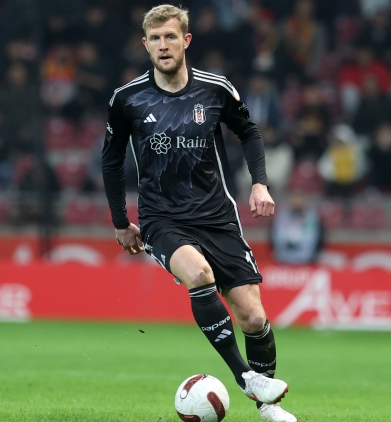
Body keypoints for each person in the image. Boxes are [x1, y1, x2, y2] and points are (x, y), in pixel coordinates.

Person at [101, 5, 295, 422]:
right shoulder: (127, 99)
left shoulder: (215, 89)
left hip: (217, 217)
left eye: (170, 37)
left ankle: (268, 409)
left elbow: (249, 132)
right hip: (162, 219)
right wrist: (120, 221)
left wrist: (259, 183)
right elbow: (111, 161)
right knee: (200, 274)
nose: (163, 45)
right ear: (145, 45)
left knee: (254, 317)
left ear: (186, 41)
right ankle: (246, 378)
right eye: (155, 39)